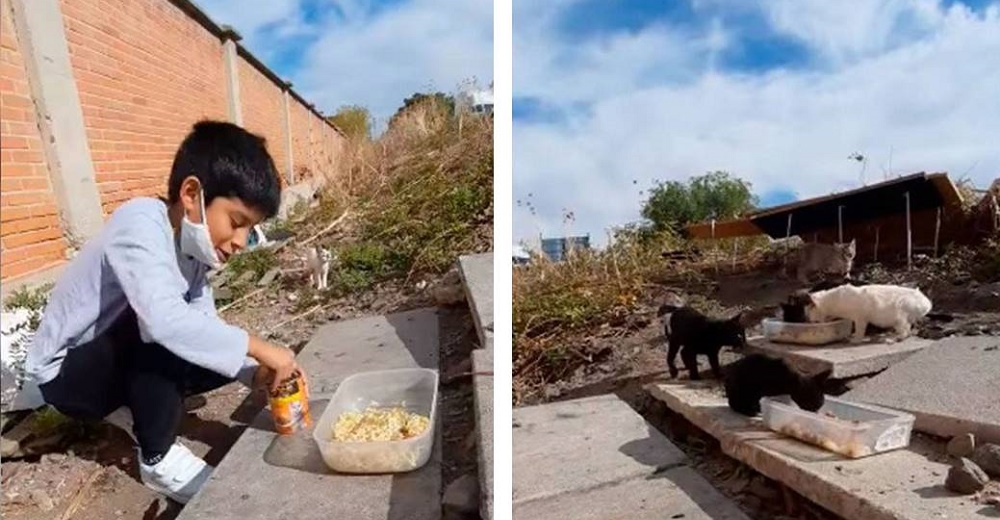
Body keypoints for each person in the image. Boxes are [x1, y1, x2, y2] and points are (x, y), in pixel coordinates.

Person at [24, 120, 305, 504]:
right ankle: (157, 458)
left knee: (204, 342)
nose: (240, 241)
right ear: (191, 193)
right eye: (237, 222)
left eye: (250, 230)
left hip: (114, 363)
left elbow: (205, 326)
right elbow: (163, 321)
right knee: (162, 328)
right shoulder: (139, 222)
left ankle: (132, 407)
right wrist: (261, 348)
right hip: (68, 376)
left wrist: (250, 372)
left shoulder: (194, 254)